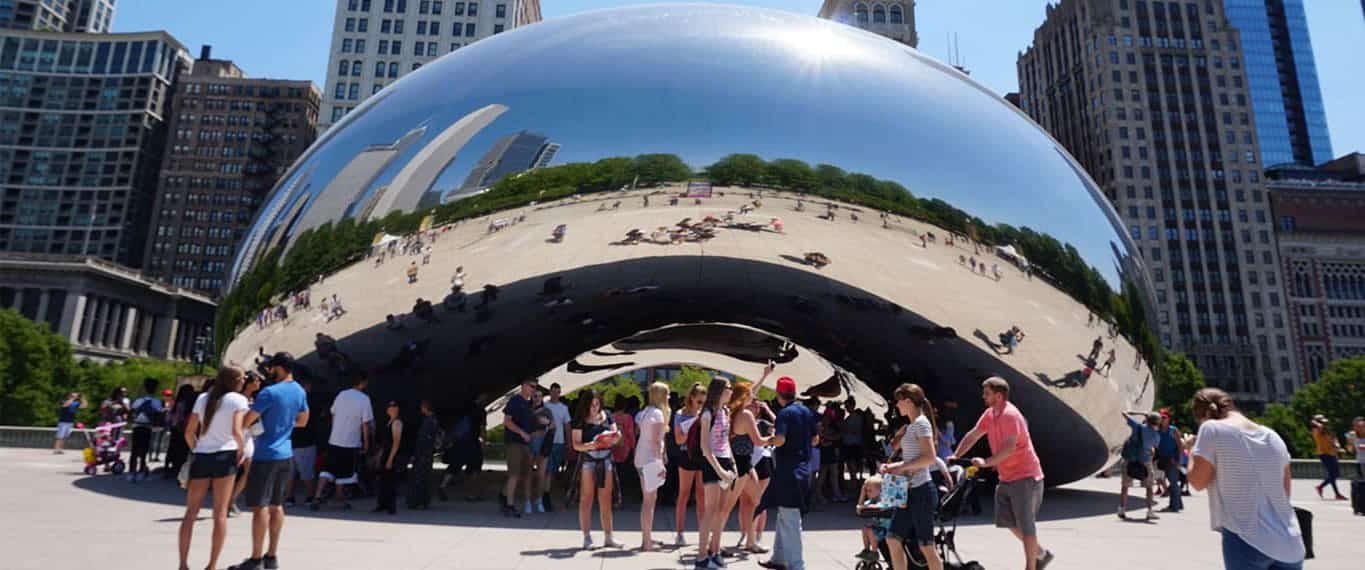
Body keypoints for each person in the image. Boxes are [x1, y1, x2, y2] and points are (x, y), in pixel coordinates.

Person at [1184, 388, 1305, 569]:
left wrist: (1191, 450)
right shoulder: (1273, 436)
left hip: (1247, 538)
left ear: (1205, 415)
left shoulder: (1211, 428)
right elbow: (1285, 492)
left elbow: (1197, 482)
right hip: (1290, 541)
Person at [949, 377, 1054, 570]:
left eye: (987, 393)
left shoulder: (1010, 415)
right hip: (1006, 476)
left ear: (999, 395)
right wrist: (955, 455)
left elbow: (1008, 449)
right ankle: (1040, 553)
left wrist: (985, 463)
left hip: (1025, 476)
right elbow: (973, 435)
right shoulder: (991, 414)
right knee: (1005, 521)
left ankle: (1032, 566)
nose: (983, 396)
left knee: (1026, 525)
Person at [228, 353, 309, 570]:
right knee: (277, 505)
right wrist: (284, 423)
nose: (269, 371)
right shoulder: (299, 390)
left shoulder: (269, 393)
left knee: (260, 507)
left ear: (280, 368)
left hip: (265, 454)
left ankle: (255, 559)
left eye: (272, 367)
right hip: (285, 453)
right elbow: (303, 421)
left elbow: (246, 421)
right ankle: (271, 556)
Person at [178, 367, 249, 570]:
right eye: (243, 377)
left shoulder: (203, 399)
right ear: (235, 380)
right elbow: (237, 430)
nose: (244, 380)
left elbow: (189, 431)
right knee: (219, 514)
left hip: (203, 455)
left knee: (190, 514)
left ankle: (183, 564)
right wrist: (242, 450)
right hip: (225, 455)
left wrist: (197, 448)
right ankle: (212, 565)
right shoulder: (238, 399)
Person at [878, 384, 944, 570]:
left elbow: (929, 457)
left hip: (921, 491)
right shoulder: (913, 425)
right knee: (892, 538)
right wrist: (893, 467)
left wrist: (902, 467)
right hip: (909, 492)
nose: (897, 405)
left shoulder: (921, 424)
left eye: (898, 401)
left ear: (907, 401)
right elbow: (913, 459)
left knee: (927, 545)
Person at [757, 376, 817, 570]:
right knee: (784, 515)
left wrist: (767, 440)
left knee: (790, 520)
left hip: (787, 472)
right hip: (803, 470)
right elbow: (815, 439)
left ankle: (797, 565)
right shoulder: (807, 411)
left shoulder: (784, 413)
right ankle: (779, 558)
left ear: (778, 394)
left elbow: (780, 440)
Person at [313, 372, 373, 511]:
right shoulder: (364, 399)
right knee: (345, 471)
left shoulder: (341, 395)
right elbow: (365, 423)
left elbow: (333, 413)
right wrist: (366, 442)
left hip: (334, 440)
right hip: (351, 442)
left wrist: (335, 431)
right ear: (363, 383)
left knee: (328, 469)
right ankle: (339, 497)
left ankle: (318, 496)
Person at [570, 388, 622, 549]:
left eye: (597, 404)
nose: (595, 408)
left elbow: (616, 435)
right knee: (586, 498)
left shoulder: (607, 415)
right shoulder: (580, 420)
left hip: (605, 459)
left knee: (605, 499)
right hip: (589, 459)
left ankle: (609, 536)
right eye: (592, 405)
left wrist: (615, 437)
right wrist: (592, 445)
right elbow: (576, 445)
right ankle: (587, 537)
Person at [695, 377, 737, 569]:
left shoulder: (725, 411)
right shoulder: (707, 414)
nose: (731, 391)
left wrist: (732, 465)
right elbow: (705, 448)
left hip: (726, 461)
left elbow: (725, 441)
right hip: (712, 464)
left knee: (722, 511)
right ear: (719, 390)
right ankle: (702, 557)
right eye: (728, 388)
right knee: (709, 511)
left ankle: (716, 551)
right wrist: (720, 471)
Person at [636, 383, 670, 551]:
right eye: (667, 394)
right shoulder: (657, 414)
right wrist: (660, 463)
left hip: (642, 458)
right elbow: (657, 441)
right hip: (650, 459)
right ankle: (646, 543)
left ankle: (647, 539)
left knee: (648, 501)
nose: (670, 397)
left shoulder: (644, 412)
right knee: (649, 502)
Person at [674, 383, 708, 547]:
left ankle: (703, 531)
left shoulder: (706, 414)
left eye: (704, 401)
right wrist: (690, 429)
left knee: (702, 496)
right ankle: (680, 533)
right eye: (699, 401)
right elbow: (678, 439)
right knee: (684, 494)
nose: (701, 405)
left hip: (702, 456)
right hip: (686, 454)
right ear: (692, 398)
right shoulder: (681, 414)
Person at [501, 380, 538, 518]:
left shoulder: (528, 404)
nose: (533, 389)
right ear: (523, 386)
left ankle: (504, 496)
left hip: (525, 444)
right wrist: (521, 432)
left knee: (523, 474)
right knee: (514, 474)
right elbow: (507, 421)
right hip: (514, 443)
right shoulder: (515, 401)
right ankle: (509, 505)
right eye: (531, 386)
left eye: (535, 387)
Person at [1118, 411, 1161, 521]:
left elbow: (1124, 414)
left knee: (1125, 486)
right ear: (1157, 423)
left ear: (1147, 419)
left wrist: (1140, 413)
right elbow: (1154, 447)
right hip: (1145, 462)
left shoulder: (1137, 426)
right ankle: (1150, 511)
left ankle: (1122, 509)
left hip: (1129, 460)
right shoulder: (1156, 435)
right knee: (1149, 487)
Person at [285, 378, 319, 507]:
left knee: (289, 473)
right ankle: (310, 497)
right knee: (307, 472)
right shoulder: (310, 402)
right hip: (306, 442)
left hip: (289, 441)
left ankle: (289, 498)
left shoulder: (288, 401)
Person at [126, 378, 164, 481]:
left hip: (137, 426)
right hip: (147, 427)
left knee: (134, 450)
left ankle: (131, 472)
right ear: (155, 389)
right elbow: (159, 415)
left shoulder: (139, 400)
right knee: (144, 450)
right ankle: (141, 471)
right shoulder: (157, 401)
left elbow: (130, 413)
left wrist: (131, 421)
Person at [542, 383, 572, 511]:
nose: (555, 394)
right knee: (546, 470)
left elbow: (567, 426)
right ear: (550, 392)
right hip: (546, 441)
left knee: (553, 470)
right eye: (553, 392)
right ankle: (544, 495)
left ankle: (546, 493)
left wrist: (569, 442)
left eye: (557, 392)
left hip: (558, 442)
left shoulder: (563, 408)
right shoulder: (544, 406)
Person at [407, 400, 441, 510]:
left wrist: (417, 454)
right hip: (427, 453)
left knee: (419, 477)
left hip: (423, 453)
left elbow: (423, 439)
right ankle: (424, 500)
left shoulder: (429, 421)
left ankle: (417, 500)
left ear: (426, 408)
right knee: (425, 477)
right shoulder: (433, 420)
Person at [374, 401, 404, 514]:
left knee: (390, 481)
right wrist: (379, 456)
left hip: (392, 455)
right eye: (389, 406)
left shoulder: (397, 423)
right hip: (385, 453)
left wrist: (390, 459)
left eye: (393, 406)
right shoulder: (389, 422)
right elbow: (385, 442)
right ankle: (382, 504)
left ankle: (391, 507)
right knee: (382, 481)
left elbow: (396, 443)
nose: (390, 408)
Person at [1309, 414, 1348, 500]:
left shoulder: (1328, 431)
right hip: (1324, 454)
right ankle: (1337, 494)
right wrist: (1315, 421)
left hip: (1332, 453)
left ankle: (1320, 487)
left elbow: (1335, 439)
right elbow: (1319, 427)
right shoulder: (1316, 431)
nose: (1325, 424)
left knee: (1335, 474)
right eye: (1322, 422)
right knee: (1332, 474)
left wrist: (1338, 446)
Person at [164, 385, 198, 479]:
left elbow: (172, 416)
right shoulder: (187, 404)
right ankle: (177, 469)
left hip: (175, 428)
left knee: (172, 448)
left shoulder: (177, 402)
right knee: (181, 450)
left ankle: (168, 468)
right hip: (181, 428)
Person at [1155, 409, 1184, 513]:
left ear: (1168, 419)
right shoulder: (1157, 431)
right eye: (1160, 418)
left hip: (1173, 460)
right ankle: (1178, 504)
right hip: (1164, 460)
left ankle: (1174, 506)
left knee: (1173, 482)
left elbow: (1180, 446)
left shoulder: (1173, 430)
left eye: (1164, 418)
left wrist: (1180, 460)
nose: (1162, 420)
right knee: (1172, 482)